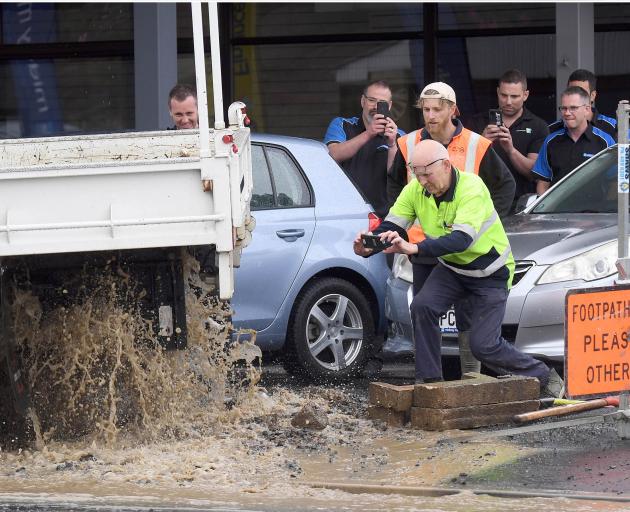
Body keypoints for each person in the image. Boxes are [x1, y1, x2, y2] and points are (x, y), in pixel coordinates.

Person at [354, 138, 563, 397]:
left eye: (427, 175)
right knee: (422, 306)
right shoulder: (416, 189)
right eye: (418, 176)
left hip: (490, 272)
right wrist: (369, 245)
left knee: (483, 346)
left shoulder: (471, 187)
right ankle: (430, 384)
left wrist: (414, 248)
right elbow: (393, 225)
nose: (423, 183)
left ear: (445, 165)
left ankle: (542, 375)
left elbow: (461, 240)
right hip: (453, 268)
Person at [388, 81, 516, 375]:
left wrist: (485, 221)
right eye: (426, 110)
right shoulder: (407, 144)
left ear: (452, 110)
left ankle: (470, 377)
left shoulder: (476, 144)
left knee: (467, 318)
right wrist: (401, 228)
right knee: (423, 309)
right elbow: (395, 185)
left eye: (437, 109)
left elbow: (505, 186)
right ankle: (429, 383)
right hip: (422, 246)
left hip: (465, 247)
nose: (430, 116)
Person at [323, 80, 404, 219]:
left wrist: (392, 145)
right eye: (371, 100)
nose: (375, 107)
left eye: (381, 103)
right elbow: (332, 155)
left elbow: (399, 177)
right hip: (345, 213)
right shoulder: (342, 124)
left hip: (384, 217)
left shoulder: (400, 136)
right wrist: (368, 133)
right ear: (362, 101)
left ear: (389, 106)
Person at [470, 69, 549, 211]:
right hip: (483, 201)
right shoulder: (478, 122)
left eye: (514, 96)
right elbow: (463, 166)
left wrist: (511, 150)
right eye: (504, 95)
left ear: (525, 95)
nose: (508, 101)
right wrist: (481, 143)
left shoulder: (538, 126)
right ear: (497, 92)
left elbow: (534, 172)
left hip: (521, 205)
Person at [533, 86, 615, 194]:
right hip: (557, 210)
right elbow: (543, 182)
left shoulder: (605, 141)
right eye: (564, 108)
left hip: (594, 210)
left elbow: (615, 181)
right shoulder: (550, 141)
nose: (567, 113)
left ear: (587, 109)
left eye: (573, 108)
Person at [549, 69, 617, 140]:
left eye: (582, 92)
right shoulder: (551, 130)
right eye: (571, 91)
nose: (575, 96)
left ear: (593, 96)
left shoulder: (614, 127)